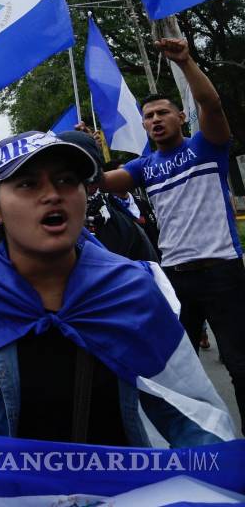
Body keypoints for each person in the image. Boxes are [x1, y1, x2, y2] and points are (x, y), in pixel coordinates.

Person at [0, 132, 237, 469]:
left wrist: (212, 484)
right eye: (28, 184)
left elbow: (192, 418)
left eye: (66, 180)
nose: (52, 194)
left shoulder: (132, 289)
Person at [98, 37, 245, 434]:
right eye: (148, 116)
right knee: (172, 366)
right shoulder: (144, 168)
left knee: (239, 362)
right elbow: (99, 181)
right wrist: (82, 150)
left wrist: (186, 62)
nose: (155, 119)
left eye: (163, 112)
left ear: (181, 116)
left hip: (223, 273)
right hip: (176, 279)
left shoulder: (207, 147)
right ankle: (198, 441)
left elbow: (211, 105)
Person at [55, 131, 158, 263]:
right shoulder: (38, 230)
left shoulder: (125, 227)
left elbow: (150, 276)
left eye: (86, 172)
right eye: (64, 178)